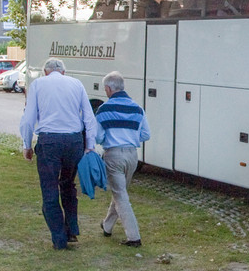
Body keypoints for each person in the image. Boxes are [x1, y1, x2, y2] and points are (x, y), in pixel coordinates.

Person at [19, 58, 97, 250]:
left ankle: (59, 237)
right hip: (73, 141)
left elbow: (28, 119)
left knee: (49, 187)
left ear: (46, 71)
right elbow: (88, 116)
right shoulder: (76, 84)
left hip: (50, 141)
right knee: (68, 184)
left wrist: (26, 145)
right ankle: (71, 229)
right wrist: (90, 145)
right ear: (63, 72)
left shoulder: (38, 84)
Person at [95, 71, 151, 248]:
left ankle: (134, 237)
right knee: (121, 193)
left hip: (113, 155)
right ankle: (107, 225)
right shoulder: (137, 108)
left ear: (108, 89)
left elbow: (97, 136)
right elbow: (145, 134)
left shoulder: (104, 109)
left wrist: (110, 138)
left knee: (120, 196)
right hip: (132, 155)